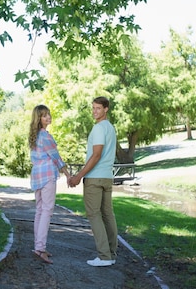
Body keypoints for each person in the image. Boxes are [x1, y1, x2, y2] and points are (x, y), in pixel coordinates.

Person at [68, 96, 118, 267]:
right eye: (93, 108)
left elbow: (96, 155)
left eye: (98, 108)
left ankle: (104, 256)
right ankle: (111, 254)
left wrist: (78, 176)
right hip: (107, 177)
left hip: (95, 178)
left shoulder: (98, 129)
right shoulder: (110, 128)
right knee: (107, 215)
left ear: (106, 109)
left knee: (94, 215)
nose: (95, 111)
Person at [29, 104, 71, 264]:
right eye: (44, 115)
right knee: (46, 210)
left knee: (40, 210)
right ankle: (40, 248)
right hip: (46, 176)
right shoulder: (45, 136)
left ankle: (38, 246)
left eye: (48, 114)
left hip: (37, 176)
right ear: (38, 119)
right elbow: (57, 158)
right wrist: (68, 175)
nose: (48, 117)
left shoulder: (34, 136)